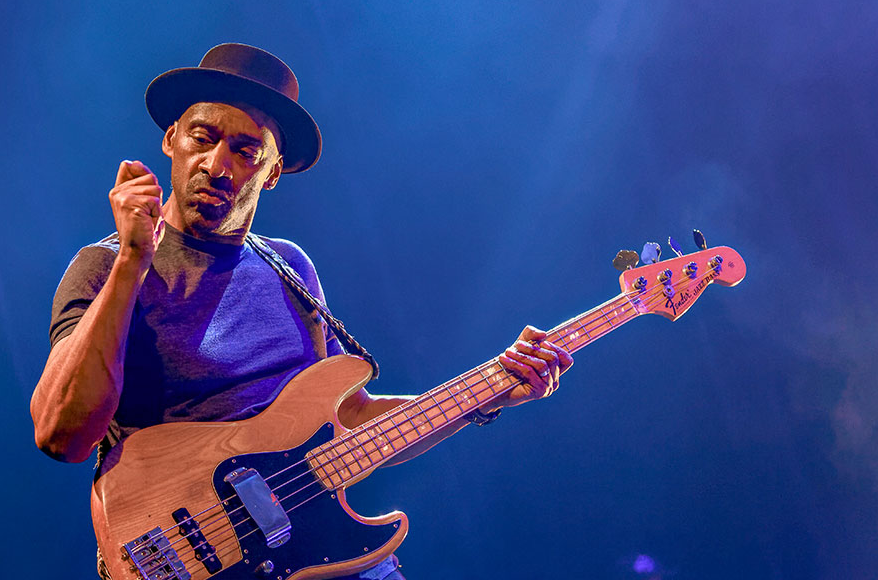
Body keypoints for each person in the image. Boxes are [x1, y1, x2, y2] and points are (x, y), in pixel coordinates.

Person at [30, 43, 573, 580]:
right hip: (196, 558)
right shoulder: (104, 266)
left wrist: (490, 391)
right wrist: (133, 261)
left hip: (322, 558)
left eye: (246, 151)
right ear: (171, 139)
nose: (216, 165)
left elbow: (349, 420)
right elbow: (61, 434)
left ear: (272, 172)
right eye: (203, 137)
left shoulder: (289, 267)